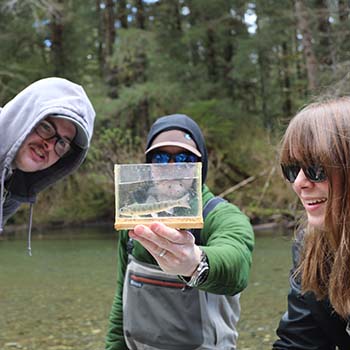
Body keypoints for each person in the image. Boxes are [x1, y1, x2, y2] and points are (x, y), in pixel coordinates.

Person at [106, 114, 254, 350]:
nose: (172, 168)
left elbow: (237, 264)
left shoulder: (222, 216)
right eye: (161, 158)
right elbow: (120, 302)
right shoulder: (133, 222)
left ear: (200, 165)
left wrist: (195, 264)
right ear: (149, 167)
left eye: (184, 159)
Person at [273, 97, 350, 349]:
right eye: (293, 169)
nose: (299, 183)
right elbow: (300, 341)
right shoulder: (310, 248)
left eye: (316, 168)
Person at [0, 77, 96, 254]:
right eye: (46, 127)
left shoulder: (14, 181)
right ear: (24, 116)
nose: (50, 145)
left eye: (62, 143)